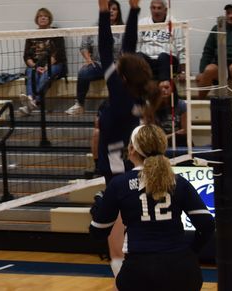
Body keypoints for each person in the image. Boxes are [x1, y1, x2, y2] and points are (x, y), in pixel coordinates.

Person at [90, 124, 215, 291]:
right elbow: (207, 226)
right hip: (182, 270)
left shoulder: (119, 185)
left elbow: (98, 233)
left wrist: (100, 208)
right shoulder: (178, 182)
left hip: (140, 272)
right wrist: (191, 252)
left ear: (132, 149)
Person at [94, 0, 159, 277]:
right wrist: (133, 10)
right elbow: (128, 48)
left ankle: (119, 265)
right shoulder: (137, 90)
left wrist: (102, 13)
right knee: (127, 209)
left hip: (115, 158)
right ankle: (123, 261)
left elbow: (107, 47)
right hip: (132, 156)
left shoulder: (117, 89)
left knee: (117, 212)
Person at [66, 0, 123, 116]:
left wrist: (121, 64)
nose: (111, 11)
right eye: (108, 9)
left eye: (114, 9)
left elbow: (127, 50)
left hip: (115, 65)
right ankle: (79, 105)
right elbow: (84, 46)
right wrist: (88, 60)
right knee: (83, 72)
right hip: (98, 64)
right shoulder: (94, 28)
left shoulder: (123, 29)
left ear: (118, 12)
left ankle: (118, 106)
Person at [18, 8, 67, 117]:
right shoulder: (32, 35)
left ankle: (33, 102)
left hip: (55, 64)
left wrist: (46, 67)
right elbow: (27, 56)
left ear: (49, 19)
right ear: (37, 19)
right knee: (30, 72)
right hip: (37, 65)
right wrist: (35, 66)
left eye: (46, 16)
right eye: (40, 16)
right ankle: (30, 99)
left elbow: (58, 54)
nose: (43, 18)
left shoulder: (56, 33)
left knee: (46, 74)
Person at [137, 0, 184, 81]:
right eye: (153, 8)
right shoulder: (142, 23)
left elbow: (182, 49)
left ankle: (164, 87)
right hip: (148, 62)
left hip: (168, 61)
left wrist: (183, 71)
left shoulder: (174, 23)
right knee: (138, 56)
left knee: (163, 56)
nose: (156, 11)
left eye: (159, 8)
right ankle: (143, 90)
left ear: (165, 10)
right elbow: (136, 47)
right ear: (150, 9)